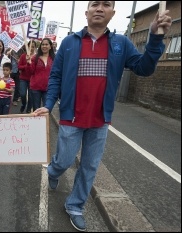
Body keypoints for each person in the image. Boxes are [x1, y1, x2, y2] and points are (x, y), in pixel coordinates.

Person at [33, 1, 172, 231]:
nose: (99, 8)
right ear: (86, 12)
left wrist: (155, 38)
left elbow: (144, 68)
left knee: (90, 167)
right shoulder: (69, 43)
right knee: (64, 160)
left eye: (106, 4)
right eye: (94, 4)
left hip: (100, 121)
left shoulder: (121, 44)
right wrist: (48, 105)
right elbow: (55, 77)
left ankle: (75, 206)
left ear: (112, 13)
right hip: (71, 117)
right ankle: (54, 171)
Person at [26, 38, 55, 110]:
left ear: (50, 46)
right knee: (36, 109)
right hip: (35, 88)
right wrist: (29, 63)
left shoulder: (54, 59)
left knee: (47, 110)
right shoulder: (35, 58)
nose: (44, 46)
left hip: (48, 88)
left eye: (46, 44)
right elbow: (30, 72)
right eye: (43, 44)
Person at [18, 41, 36, 113]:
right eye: (30, 46)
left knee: (31, 96)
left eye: (33, 46)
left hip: (32, 79)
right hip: (23, 79)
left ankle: (29, 108)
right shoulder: (23, 56)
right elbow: (19, 67)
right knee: (22, 94)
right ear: (27, 47)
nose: (31, 48)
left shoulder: (36, 57)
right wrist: (27, 65)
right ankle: (23, 104)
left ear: (35, 48)